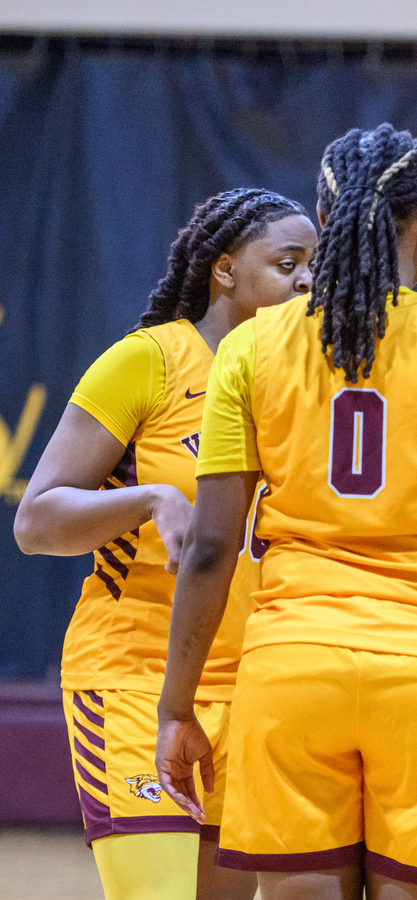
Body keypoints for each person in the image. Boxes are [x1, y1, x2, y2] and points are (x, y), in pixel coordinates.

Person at [153, 124, 417, 900]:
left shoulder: (250, 349)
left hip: (291, 672)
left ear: (326, 216)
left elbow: (211, 549)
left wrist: (178, 708)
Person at [13, 188, 316, 900]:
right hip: (134, 675)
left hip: (254, 688)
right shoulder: (149, 361)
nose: (307, 280)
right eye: (287, 262)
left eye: (315, 267)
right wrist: (151, 498)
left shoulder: (305, 383)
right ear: (224, 269)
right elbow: (36, 520)